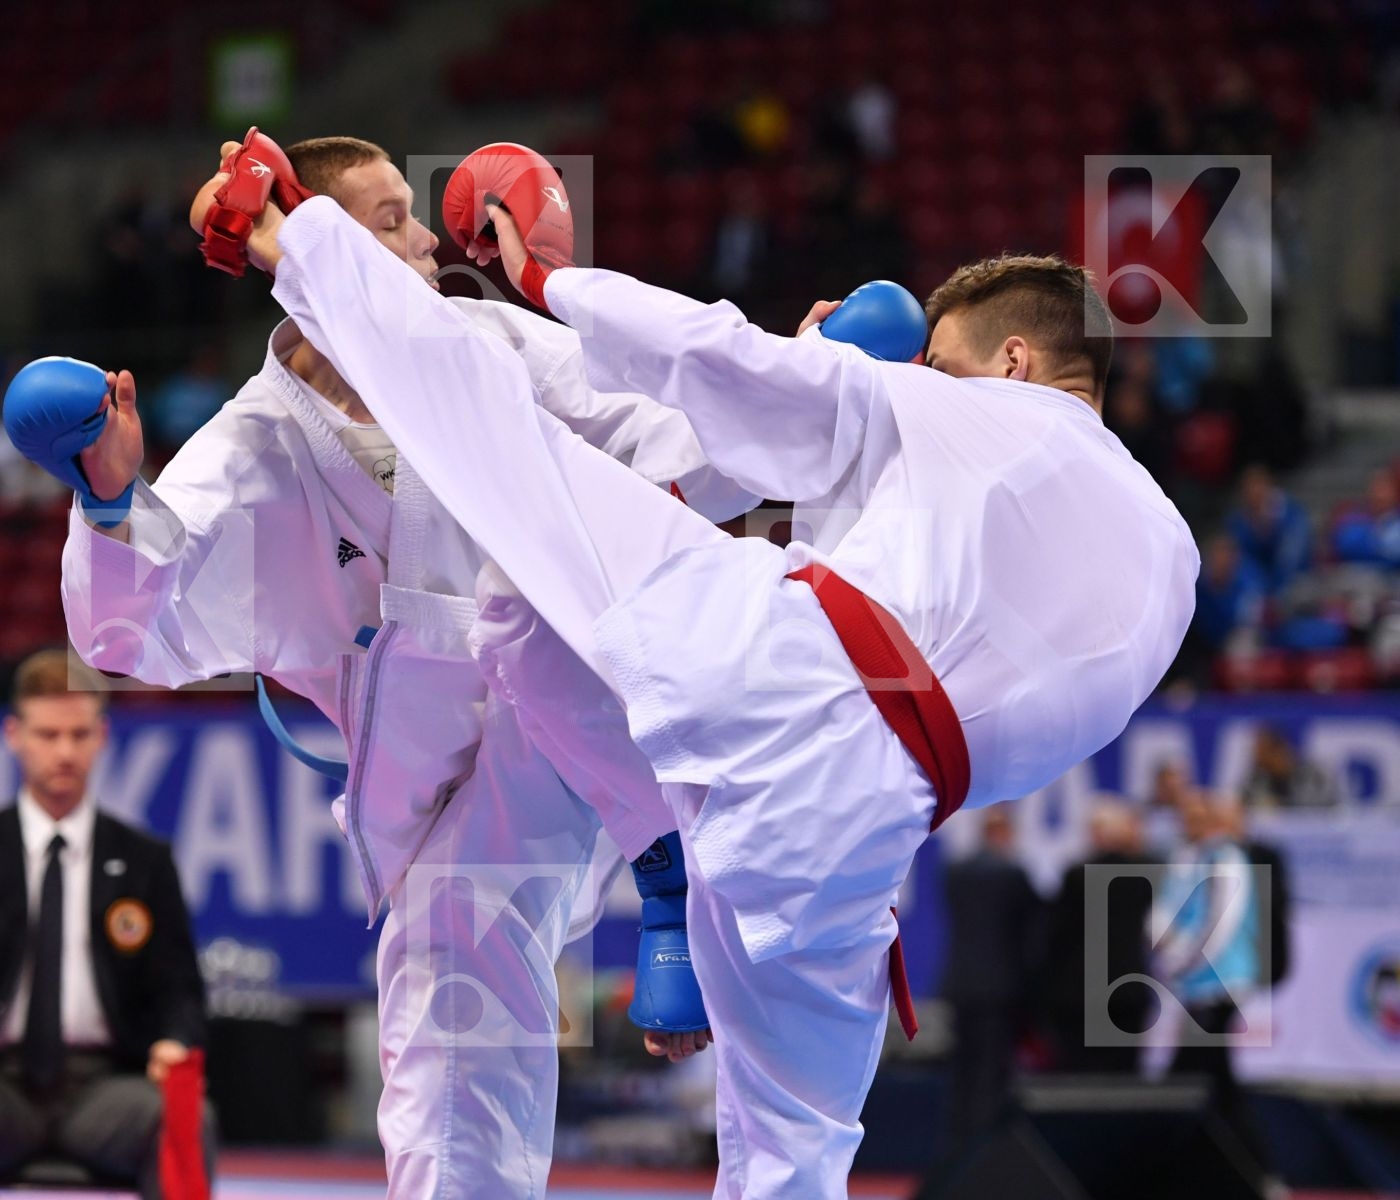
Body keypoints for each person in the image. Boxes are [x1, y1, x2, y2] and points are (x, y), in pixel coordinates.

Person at [224, 151, 1198, 1198]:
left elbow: (719, 363)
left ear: (1011, 362)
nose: (922, 380)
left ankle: (302, 240)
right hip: (866, 838)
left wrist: (555, 285)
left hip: (775, 671)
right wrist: (844, 393)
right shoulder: (1172, 563)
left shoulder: (967, 412)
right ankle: (673, 862)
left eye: (940, 364)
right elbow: (953, 615)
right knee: (798, 1151)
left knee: (512, 530)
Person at [41, 137, 757, 1199]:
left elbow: (666, 435)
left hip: (593, 736)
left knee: (534, 593)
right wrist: (109, 500)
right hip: (430, 798)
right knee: (443, 1036)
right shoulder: (255, 453)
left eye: (411, 213)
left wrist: (796, 381)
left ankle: (670, 869)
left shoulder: (485, 346)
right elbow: (123, 638)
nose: (427, 238)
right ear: (308, 249)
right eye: (387, 220)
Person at [0, 651, 207, 1200]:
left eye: (78, 734)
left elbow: (180, 988)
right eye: (47, 735)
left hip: (104, 1089)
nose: (64, 752)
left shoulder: (144, 861)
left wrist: (173, 1040)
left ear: (102, 737)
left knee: (182, 1114)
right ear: (13, 734)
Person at [1157, 792, 1263, 1165]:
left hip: (1219, 983)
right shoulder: (1201, 858)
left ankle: (1245, 1159)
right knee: (1211, 1073)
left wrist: (1185, 964)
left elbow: (1219, 925)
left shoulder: (1226, 858)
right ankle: (1238, 1159)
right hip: (1205, 983)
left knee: (1198, 1073)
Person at [940, 807, 1040, 1149]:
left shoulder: (955, 872)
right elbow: (1031, 933)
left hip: (961, 987)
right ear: (1006, 833)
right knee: (991, 1073)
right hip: (999, 991)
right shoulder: (1013, 874)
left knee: (964, 1072)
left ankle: (959, 1148)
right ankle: (983, 1151)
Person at [1042, 800, 1157, 1073]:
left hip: (1080, 993)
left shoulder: (1077, 876)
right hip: (1128, 991)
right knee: (1124, 1079)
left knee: (1080, 1078)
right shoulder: (1144, 874)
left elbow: (1057, 936)